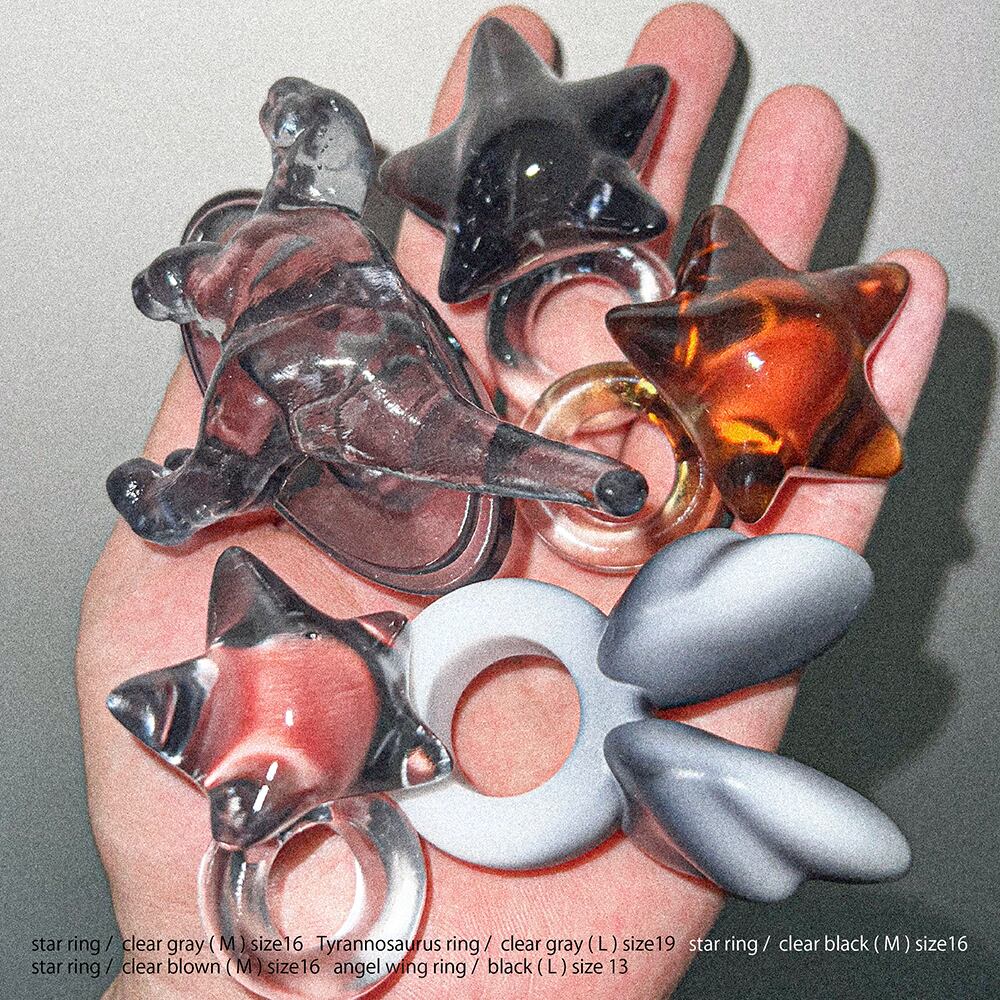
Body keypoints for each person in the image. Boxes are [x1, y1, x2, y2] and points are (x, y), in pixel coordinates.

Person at [76, 5, 947, 998]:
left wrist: (174, 497)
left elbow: (321, 166)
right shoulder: (258, 369)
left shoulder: (312, 244)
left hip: (484, 521)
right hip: (411, 551)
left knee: (471, 448)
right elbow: (230, 469)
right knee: (460, 448)